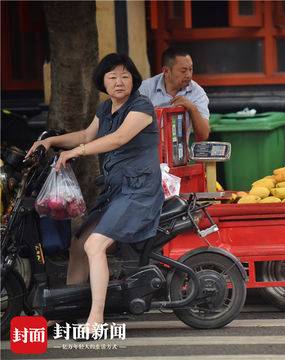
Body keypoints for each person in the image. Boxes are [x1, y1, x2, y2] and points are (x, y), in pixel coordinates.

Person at [26, 53, 165, 333]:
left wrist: (76, 153)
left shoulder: (141, 106)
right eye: (112, 76)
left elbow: (118, 138)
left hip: (138, 193)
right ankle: (66, 311)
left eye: (125, 76)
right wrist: (51, 141)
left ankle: (96, 317)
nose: (119, 81)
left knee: (95, 245)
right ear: (102, 81)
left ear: (134, 80)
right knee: (79, 246)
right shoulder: (105, 109)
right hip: (116, 192)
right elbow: (86, 136)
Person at [138, 47, 210, 141]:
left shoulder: (197, 92)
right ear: (166, 71)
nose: (188, 75)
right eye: (183, 71)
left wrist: (192, 108)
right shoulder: (145, 88)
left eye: (190, 69)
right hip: (149, 150)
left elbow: (203, 136)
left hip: (179, 151)